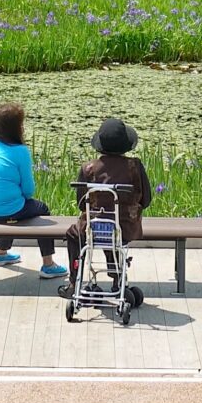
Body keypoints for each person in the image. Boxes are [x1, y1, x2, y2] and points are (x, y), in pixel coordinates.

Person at [0, 101, 65, 277]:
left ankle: (1, 254)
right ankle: (48, 264)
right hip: (6, 209)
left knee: (10, 204)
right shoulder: (20, 151)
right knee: (40, 209)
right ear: (16, 128)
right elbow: (28, 191)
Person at [66, 116, 154, 280]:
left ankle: (74, 281)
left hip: (92, 228)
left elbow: (80, 204)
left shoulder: (88, 168)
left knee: (74, 234)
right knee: (114, 228)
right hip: (126, 227)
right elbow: (146, 200)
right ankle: (116, 274)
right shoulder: (135, 167)